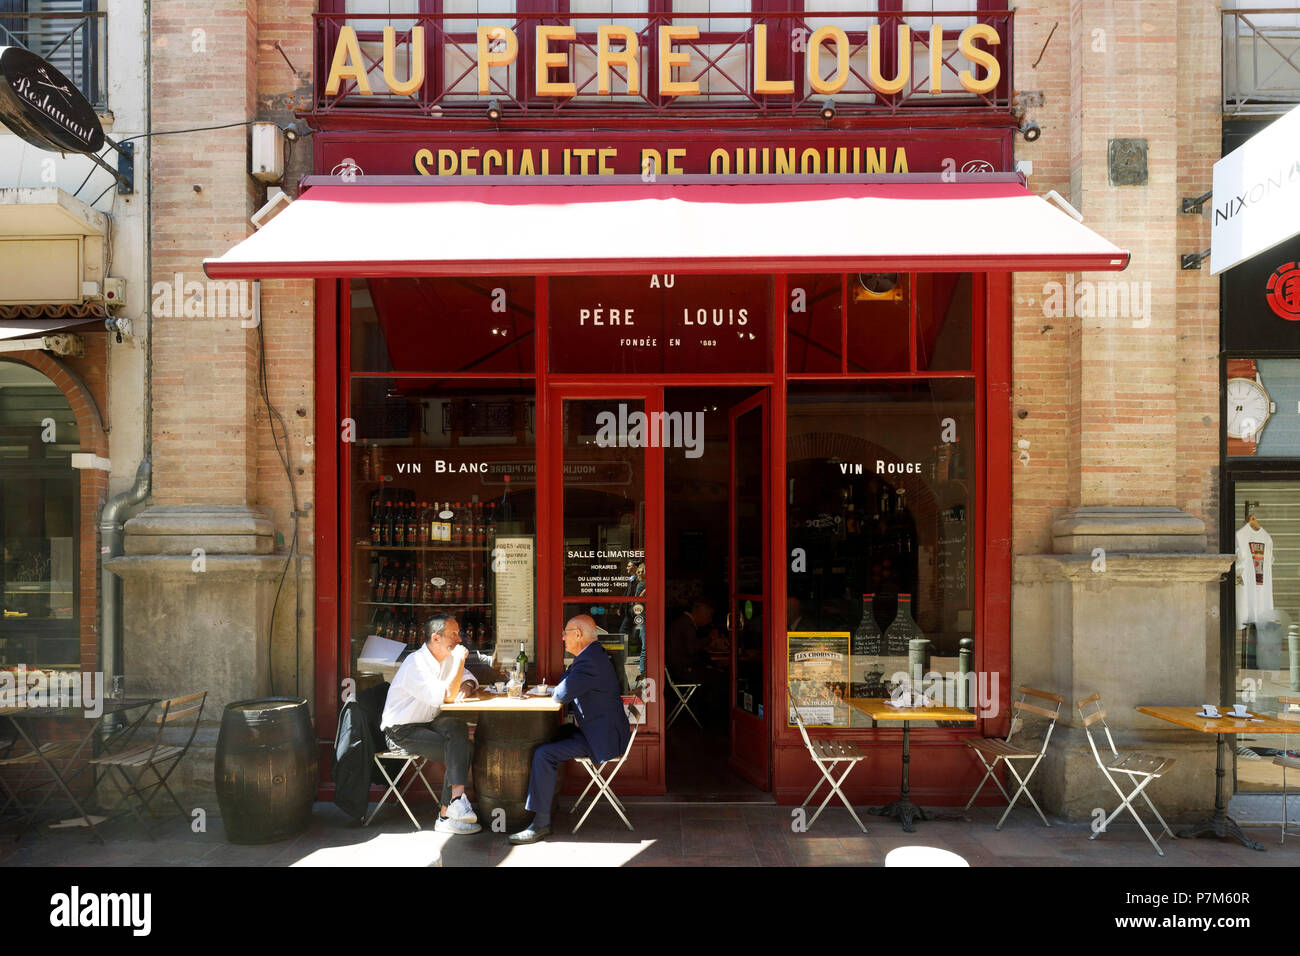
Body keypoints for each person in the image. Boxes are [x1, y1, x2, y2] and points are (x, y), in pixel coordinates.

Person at [508, 615, 631, 844]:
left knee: (544, 754)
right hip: (600, 731)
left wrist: (557, 688)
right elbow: (567, 682)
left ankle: (540, 825)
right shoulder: (591, 655)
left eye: (566, 632)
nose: (562, 637)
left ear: (578, 634)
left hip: (602, 739)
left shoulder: (589, 661)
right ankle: (543, 807)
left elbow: (561, 695)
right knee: (546, 740)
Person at [380, 614, 481, 834]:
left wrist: (466, 686)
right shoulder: (415, 663)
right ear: (436, 638)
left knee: (457, 727)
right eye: (454, 634)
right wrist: (460, 660)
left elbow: (468, 677)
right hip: (401, 732)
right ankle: (449, 813)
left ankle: (451, 808)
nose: (459, 639)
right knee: (459, 749)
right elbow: (446, 695)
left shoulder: (444, 658)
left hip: (426, 722)